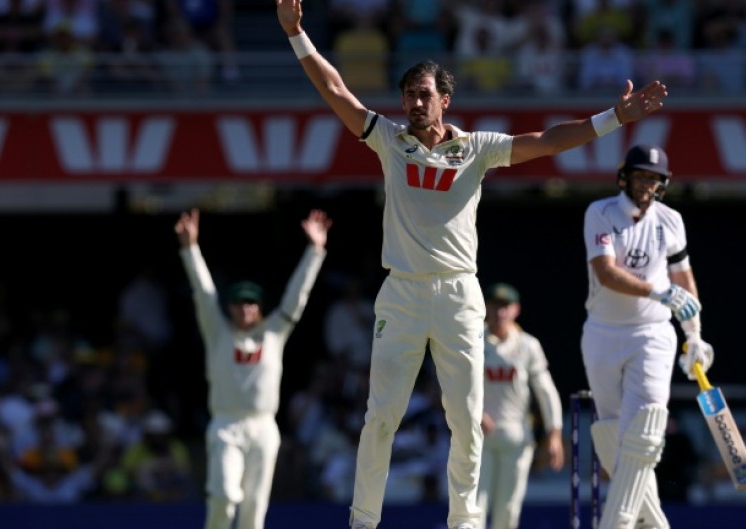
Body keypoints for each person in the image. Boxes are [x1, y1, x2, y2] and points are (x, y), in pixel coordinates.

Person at [273, 2, 668, 528]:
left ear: (445, 100)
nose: (414, 103)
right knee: (381, 417)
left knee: (465, 421)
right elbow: (336, 92)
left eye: (424, 95)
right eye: (409, 94)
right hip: (403, 293)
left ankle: (464, 521)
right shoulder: (390, 141)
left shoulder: (476, 149)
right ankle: (363, 521)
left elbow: (547, 142)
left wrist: (615, 117)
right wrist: (298, 34)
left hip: (460, 295)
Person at [580, 144, 714, 529]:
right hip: (603, 333)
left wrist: (694, 334)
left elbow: (682, 277)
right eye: (640, 176)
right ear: (624, 177)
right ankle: (654, 524)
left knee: (649, 425)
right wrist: (658, 292)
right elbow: (605, 272)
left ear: (662, 184)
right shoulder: (600, 213)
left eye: (653, 179)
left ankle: (614, 524)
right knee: (611, 433)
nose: (646, 184)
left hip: (654, 332)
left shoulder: (671, 220)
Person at [174, 208, 330, 529]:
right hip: (226, 424)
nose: (245, 309)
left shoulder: (273, 331)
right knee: (223, 496)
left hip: (263, 427)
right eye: (239, 303)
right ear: (230, 307)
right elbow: (204, 293)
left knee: (254, 510)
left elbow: (296, 297)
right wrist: (190, 248)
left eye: (251, 303)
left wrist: (314, 251)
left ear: (259, 307)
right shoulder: (218, 331)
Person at [477, 282, 564, 529]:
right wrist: (474, 412)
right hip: (478, 437)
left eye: (505, 307)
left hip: (517, 438)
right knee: (474, 509)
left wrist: (554, 433)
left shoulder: (528, 345)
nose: (500, 313)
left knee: (508, 511)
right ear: (486, 307)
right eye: (495, 306)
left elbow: (545, 391)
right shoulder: (474, 340)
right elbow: (453, 383)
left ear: (516, 310)